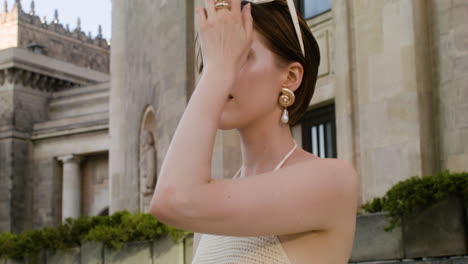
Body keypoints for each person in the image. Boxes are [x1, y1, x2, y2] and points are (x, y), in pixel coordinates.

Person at [150, 0, 360, 263]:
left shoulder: (333, 181)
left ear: (291, 77)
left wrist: (218, 68)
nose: (217, 73)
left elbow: (172, 198)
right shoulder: (209, 212)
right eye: (210, 60)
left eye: (239, 55)